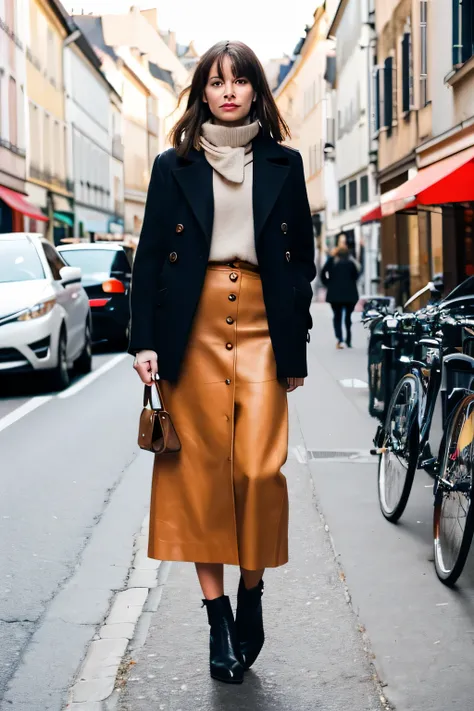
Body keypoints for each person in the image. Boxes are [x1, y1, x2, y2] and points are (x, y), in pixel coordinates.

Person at [128, 40, 315, 685]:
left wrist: (298, 343)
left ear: (256, 91)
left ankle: (252, 593)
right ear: (201, 92)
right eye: (215, 81)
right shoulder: (172, 165)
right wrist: (145, 340)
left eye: (239, 81)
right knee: (201, 475)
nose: (227, 91)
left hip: (265, 326)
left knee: (261, 471)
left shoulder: (285, 165)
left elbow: (300, 264)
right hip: (193, 327)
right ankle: (217, 621)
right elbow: (149, 258)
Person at [321, 241, 360, 349]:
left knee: (337, 317)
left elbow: (322, 273)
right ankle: (348, 339)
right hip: (349, 294)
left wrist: (328, 284)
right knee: (348, 317)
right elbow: (356, 276)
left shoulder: (332, 262)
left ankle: (339, 339)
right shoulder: (350, 263)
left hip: (335, 295)